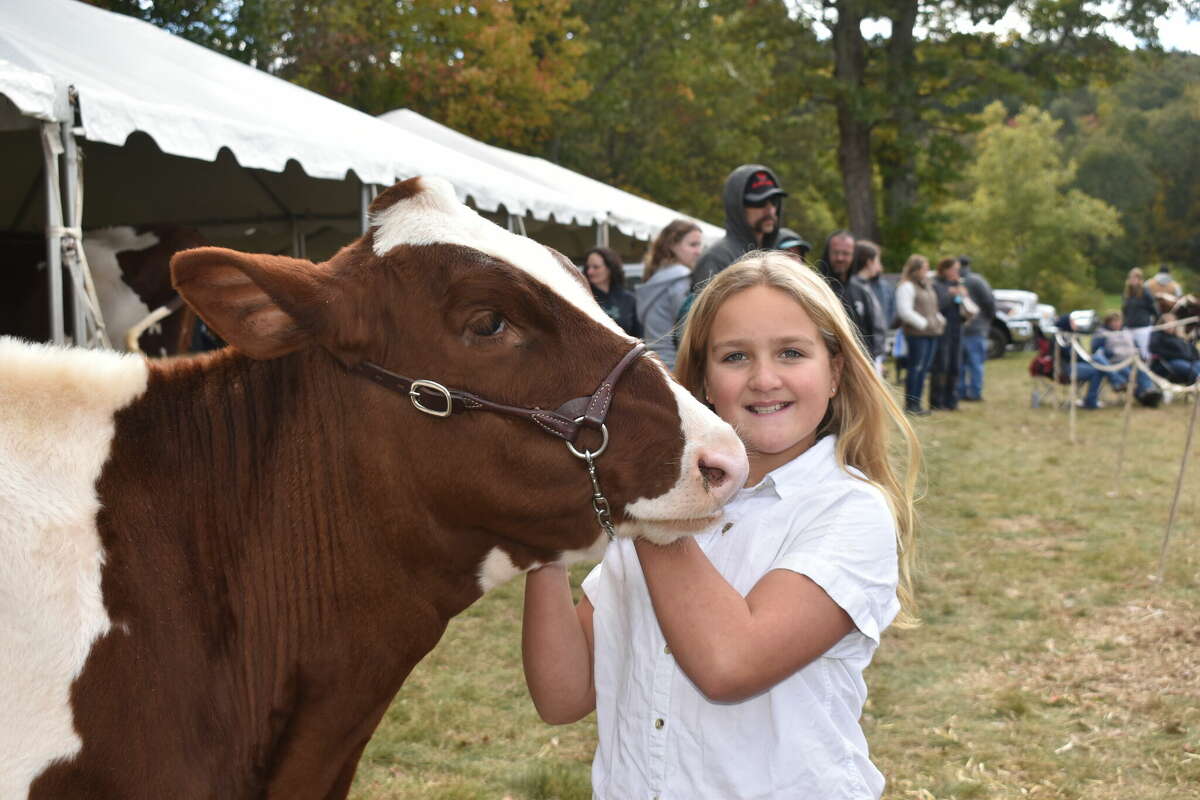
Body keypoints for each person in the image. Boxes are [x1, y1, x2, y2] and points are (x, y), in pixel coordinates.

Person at [522, 250, 921, 799]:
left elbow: (730, 664)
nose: (764, 378)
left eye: (791, 352)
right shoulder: (654, 510)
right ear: (704, 382)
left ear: (835, 372)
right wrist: (539, 548)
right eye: (735, 357)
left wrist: (652, 485)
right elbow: (563, 697)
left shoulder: (850, 510)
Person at [689, 164, 786, 290]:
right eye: (759, 202)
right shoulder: (717, 259)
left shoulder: (775, 255)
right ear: (738, 207)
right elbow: (706, 309)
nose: (770, 210)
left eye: (774, 201)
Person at [636, 219, 702, 369]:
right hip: (677, 367)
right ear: (672, 246)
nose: (698, 251)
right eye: (693, 245)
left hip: (654, 365)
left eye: (699, 245)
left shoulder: (656, 277)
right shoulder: (680, 280)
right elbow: (691, 328)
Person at [894, 254, 944, 415]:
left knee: (923, 369)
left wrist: (940, 320)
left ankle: (917, 404)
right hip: (917, 334)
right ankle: (911, 405)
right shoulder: (906, 286)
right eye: (924, 268)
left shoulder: (926, 285)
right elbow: (904, 311)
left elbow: (933, 308)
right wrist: (924, 323)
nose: (927, 272)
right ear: (915, 270)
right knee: (915, 368)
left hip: (931, 333)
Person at [1091, 311, 1162, 406]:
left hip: (1133, 360)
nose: (1116, 324)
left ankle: (1149, 391)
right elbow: (1096, 350)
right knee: (1128, 373)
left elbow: (1136, 346)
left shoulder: (1127, 332)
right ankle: (1142, 395)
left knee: (1142, 371)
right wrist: (1110, 354)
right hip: (1116, 363)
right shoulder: (1102, 334)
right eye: (1113, 321)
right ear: (1108, 323)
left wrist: (1140, 355)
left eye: (1118, 321)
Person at [928, 258, 971, 411]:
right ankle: (937, 402)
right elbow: (937, 305)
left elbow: (965, 308)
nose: (956, 273)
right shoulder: (936, 285)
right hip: (942, 331)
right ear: (944, 269)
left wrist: (964, 296)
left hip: (957, 330)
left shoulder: (957, 285)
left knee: (955, 366)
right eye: (954, 269)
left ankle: (952, 401)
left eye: (958, 270)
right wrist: (951, 294)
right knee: (941, 366)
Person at [956, 255, 996, 402]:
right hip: (976, 328)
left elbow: (988, 302)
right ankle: (974, 392)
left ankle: (962, 391)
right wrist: (987, 320)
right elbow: (989, 301)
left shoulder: (959, 282)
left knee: (963, 362)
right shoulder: (977, 280)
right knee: (975, 362)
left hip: (963, 328)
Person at [848, 239, 888, 374]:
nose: (880, 266)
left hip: (874, 353)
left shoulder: (868, 286)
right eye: (878, 261)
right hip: (864, 354)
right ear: (869, 262)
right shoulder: (855, 288)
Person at [583, 247, 641, 337]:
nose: (590, 271)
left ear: (610, 268)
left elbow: (639, 335)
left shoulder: (628, 299)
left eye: (596, 267)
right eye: (588, 267)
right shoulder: (583, 298)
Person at [1149, 312, 1200, 385]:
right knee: (1192, 371)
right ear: (1162, 324)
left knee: (1198, 365)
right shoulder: (1157, 336)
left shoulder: (1178, 337)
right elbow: (1158, 351)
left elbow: (1192, 350)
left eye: (1172, 323)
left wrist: (1194, 357)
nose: (1170, 326)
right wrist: (1181, 356)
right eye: (1168, 323)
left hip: (1188, 361)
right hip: (1169, 362)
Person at [1122, 267, 1158, 360]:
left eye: (1135, 278)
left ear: (1139, 279)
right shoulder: (1127, 294)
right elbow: (1124, 310)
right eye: (1131, 277)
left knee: (1144, 352)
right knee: (1128, 352)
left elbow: (1154, 309)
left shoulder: (1145, 293)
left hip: (1142, 328)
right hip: (1129, 327)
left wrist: (1155, 323)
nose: (1132, 280)